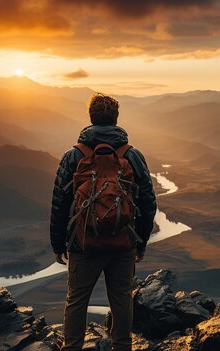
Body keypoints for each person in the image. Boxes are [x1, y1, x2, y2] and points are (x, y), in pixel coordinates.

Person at [50, 93, 157, 351]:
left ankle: (72, 347)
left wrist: (58, 244)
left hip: (83, 244)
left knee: (76, 301)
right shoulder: (132, 156)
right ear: (116, 119)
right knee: (121, 300)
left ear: (91, 117)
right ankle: (121, 347)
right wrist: (139, 243)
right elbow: (149, 202)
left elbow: (59, 203)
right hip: (123, 244)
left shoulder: (73, 156)